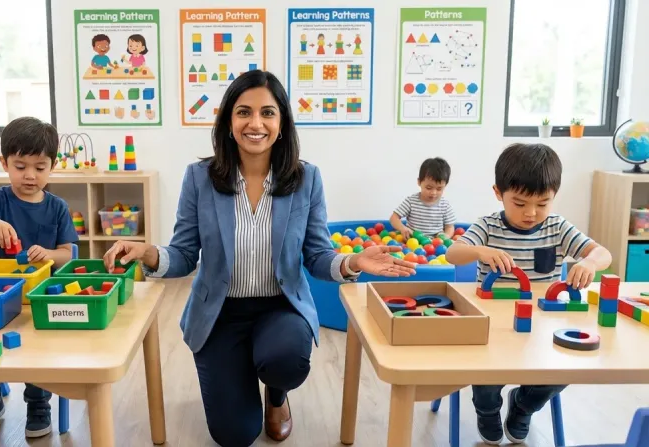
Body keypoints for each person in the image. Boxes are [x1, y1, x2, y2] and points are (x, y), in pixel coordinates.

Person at [103, 70, 417, 447]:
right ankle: (241, 382)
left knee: (285, 359)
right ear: (229, 122)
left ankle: (276, 394)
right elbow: (185, 254)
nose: (255, 123)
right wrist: (149, 253)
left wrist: (352, 263)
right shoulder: (199, 178)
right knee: (234, 435)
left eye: (267, 113)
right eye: (244, 112)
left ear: (281, 122)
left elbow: (317, 256)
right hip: (219, 313)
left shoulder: (307, 179)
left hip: (280, 308)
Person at [446, 143, 612, 445]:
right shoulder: (487, 226)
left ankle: (523, 405)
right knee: (484, 376)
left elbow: (603, 254)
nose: (532, 213)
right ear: (499, 193)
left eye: (543, 203)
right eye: (520, 203)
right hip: (493, 328)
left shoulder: (557, 227)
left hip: (542, 325)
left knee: (566, 367)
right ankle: (488, 410)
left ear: (554, 196)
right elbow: (452, 254)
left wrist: (588, 262)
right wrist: (480, 250)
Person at [0, 116, 79, 439]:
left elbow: (69, 253)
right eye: (20, 166)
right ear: (4, 163)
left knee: (38, 350)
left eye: (40, 167)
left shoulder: (57, 207)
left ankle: (39, 404)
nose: (29, 175)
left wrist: (50, 255)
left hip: (37, 298)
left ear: (53, 165)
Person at [390, 157, 456, 239]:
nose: (433, 193)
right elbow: (394, 218)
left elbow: (449, 227)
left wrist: (446, 236)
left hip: (436, 245)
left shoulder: (445, 205)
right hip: (412, 241)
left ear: (445, 186)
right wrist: (403, 228)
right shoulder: (411, 201)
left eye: (439, 189)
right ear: (419, 182)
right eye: (428, 188)